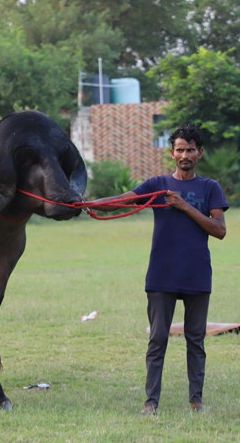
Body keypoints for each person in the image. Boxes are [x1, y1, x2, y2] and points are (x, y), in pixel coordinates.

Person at [91, 124, 229, 415]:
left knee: (196, 342)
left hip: (196, 276)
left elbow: (219, 230)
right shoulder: (156, 184)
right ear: (172, 153)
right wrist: (87, 204)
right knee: (157, 340)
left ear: (199, 153)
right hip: (161, 276)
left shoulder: (209, 188)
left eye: (190, 149)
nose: (185, 154)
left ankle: (196, 401)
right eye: (179, 149)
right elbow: (124, 200)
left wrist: (184, 206)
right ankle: (150, 403)